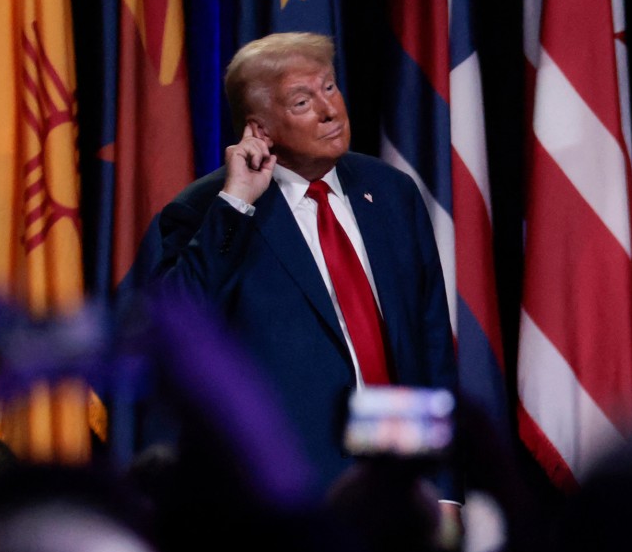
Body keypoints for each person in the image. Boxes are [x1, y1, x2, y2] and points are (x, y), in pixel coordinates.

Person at [155, 32, 457, 500]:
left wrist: (441, 489)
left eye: (329, 88)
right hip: (288, 499)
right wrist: (236, 203)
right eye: (302, 101)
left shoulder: (392, 192)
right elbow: (176, 323)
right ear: (261, 129)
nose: (329, 110)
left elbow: (430, 341)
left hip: (399, 487)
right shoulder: (208, 210)